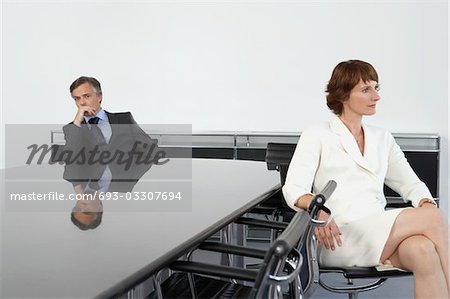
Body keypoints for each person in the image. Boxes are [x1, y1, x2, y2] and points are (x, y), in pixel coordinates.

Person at [282, 60, 449, 297]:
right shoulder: (317, 134)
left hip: (378, 229)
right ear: (343, 95)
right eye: (365, 89)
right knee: (433, 217)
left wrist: (422, 202)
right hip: (339, 235)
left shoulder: (383, 138)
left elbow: (410, 184)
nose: (376, 96)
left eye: (376, 88)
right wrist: (319, 210)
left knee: (423, 250)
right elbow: (293, 189)